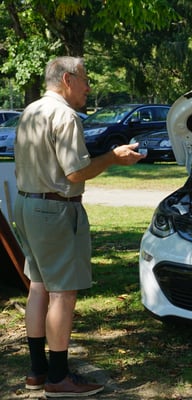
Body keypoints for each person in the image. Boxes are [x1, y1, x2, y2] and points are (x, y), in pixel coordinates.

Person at [13, 56, 146, 397]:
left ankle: (38, 372)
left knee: (39, 286)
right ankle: (59, 379)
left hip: (26, 204)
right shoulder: (65, 115)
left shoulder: (30, 111)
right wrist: (113, 158)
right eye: (85, 80)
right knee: (62, 293)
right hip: (55, 210)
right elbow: (75, 173)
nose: (88, 87)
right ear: (68, 79)